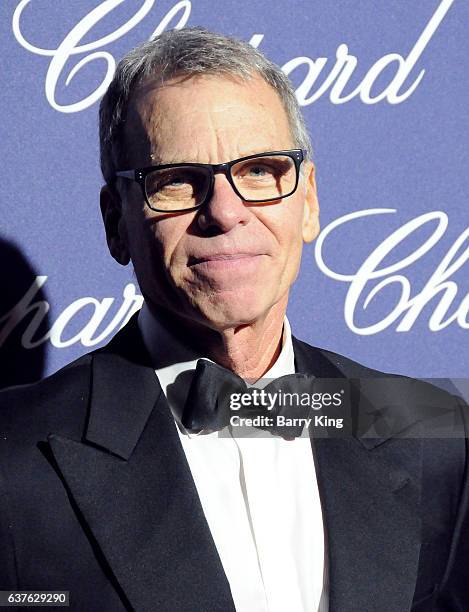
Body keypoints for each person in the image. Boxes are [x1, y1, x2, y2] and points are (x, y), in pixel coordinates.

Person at [0, 27, 468, 612]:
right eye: (175, 180)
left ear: (310, 201)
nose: (224, 211)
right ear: (115, 221)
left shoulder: (434, 436)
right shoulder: (13, 458)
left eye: (259, 171)